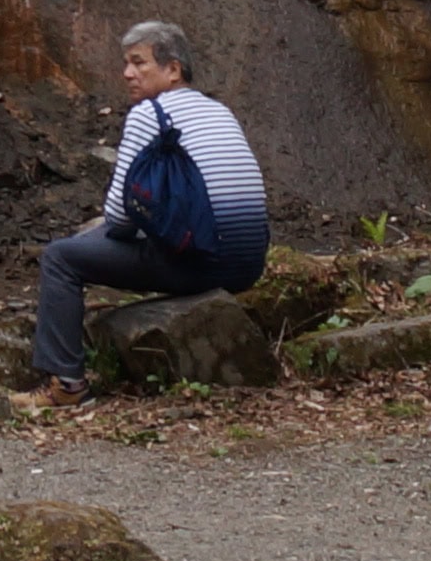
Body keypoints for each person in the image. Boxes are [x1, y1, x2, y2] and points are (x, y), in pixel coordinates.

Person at [31, 20, 267, 390]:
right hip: (249, 264)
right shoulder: (220, 111)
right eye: (126, 63)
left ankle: (64, 384)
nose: (128, 74)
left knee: (61, 257)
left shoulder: (150, 114)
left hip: (200, 265)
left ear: (173, 69)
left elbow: (120, 217)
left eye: (139, 63)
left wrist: (113, 230)